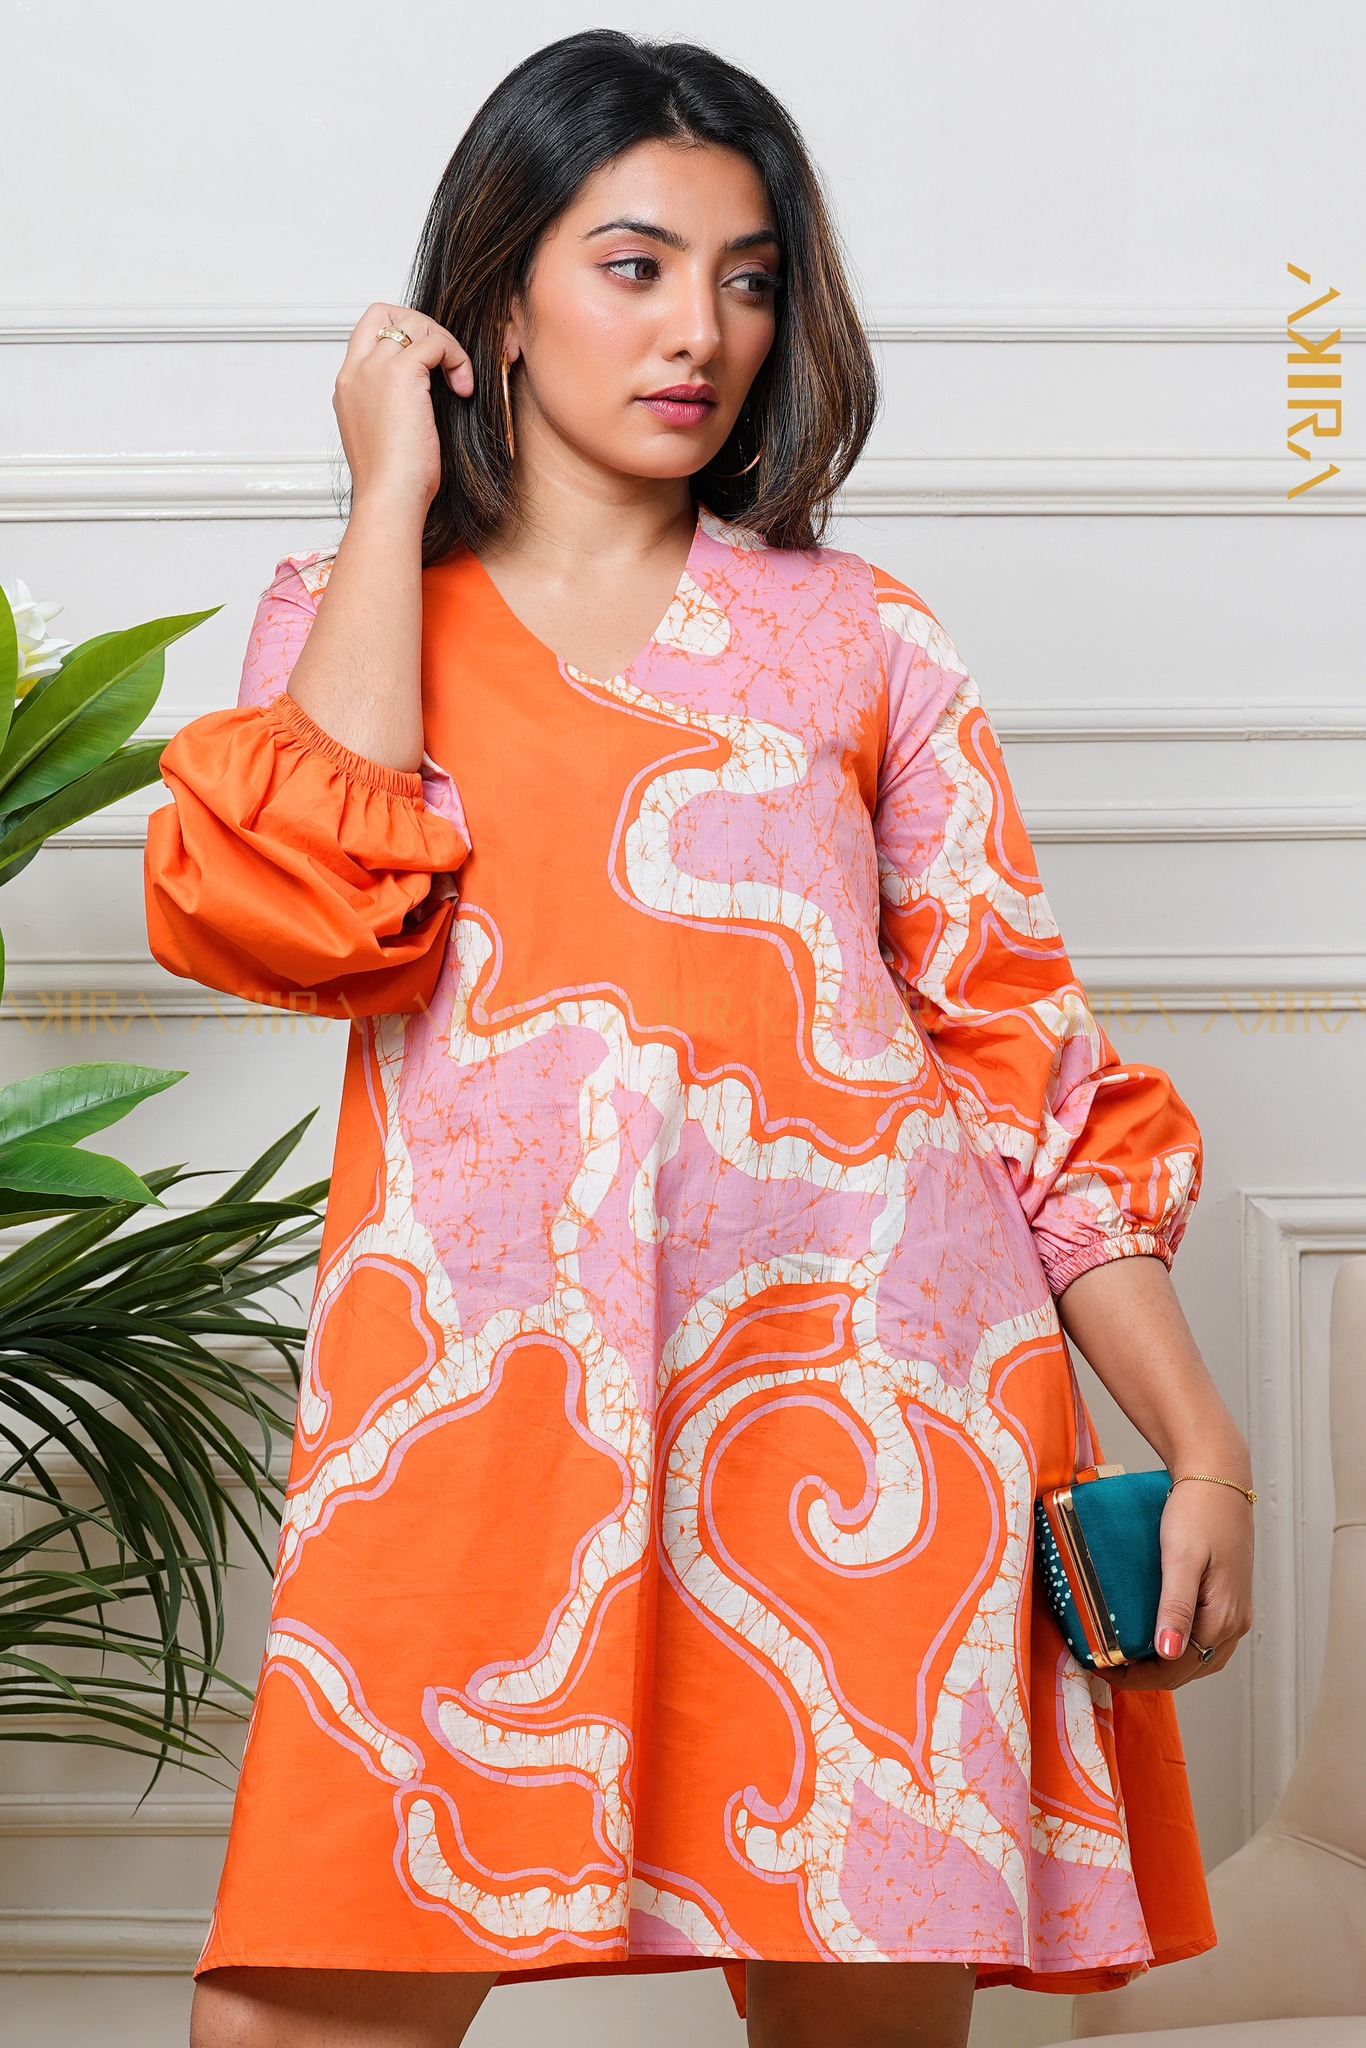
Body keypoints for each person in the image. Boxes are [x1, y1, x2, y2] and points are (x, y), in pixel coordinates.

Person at [144, 29, 1255, 2048]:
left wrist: (1202, 1448)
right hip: (477, 1415)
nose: (701, 331)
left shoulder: (863, 633)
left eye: (746, 279)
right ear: (494, 295)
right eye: (634, 266)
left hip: (869, 1411)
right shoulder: (350, 607)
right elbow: (319, 910)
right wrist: (392, 491)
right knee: (293, 2012)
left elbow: (1022, 1064)